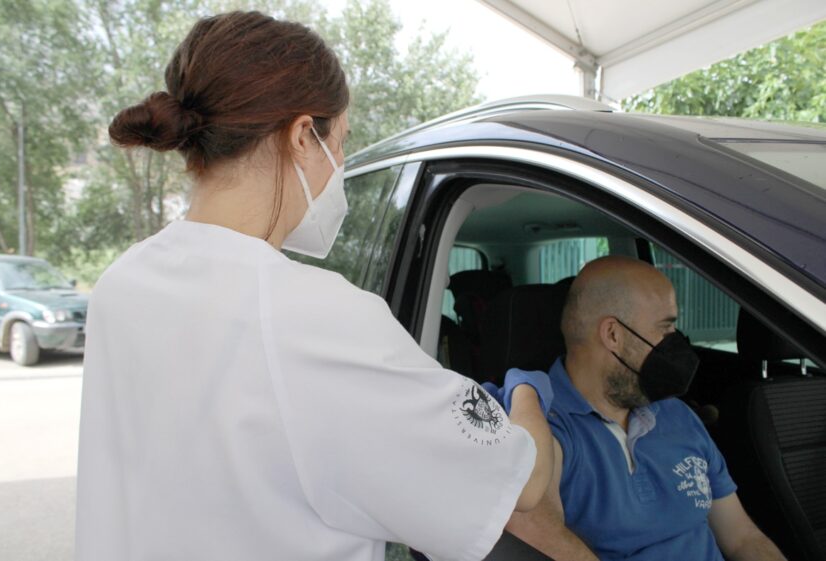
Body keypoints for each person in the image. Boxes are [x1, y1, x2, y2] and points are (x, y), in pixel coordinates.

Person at [75, 11, 555, 561]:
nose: (340, 165)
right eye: (341, 142)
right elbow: (521, 483)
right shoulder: (317, 319)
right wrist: (526, 394)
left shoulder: (123, 282)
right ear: (303, 134)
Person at [503, 256, 786, 561]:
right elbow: (533, 526)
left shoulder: (679, 415)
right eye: (665, 329)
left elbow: (742, 538)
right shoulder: (543, 425)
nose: (676, 344)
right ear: (613, 335)